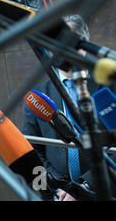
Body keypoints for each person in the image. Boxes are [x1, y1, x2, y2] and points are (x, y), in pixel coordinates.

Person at [22, 14, 116, 201]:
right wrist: (57, 188)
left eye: (66, 40)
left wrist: (85, 187)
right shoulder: (37, 97)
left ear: (85, 42)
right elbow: (32, 150)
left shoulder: (110, 84)